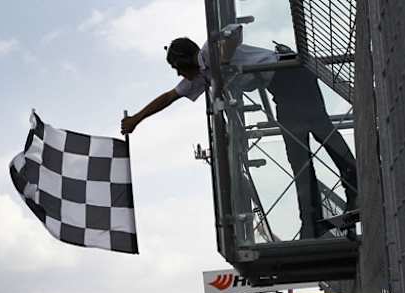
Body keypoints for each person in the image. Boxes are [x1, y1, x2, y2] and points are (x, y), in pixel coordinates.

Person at [121, 36, 358, 239]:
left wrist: (223, 59)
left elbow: (234, 34)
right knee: (301, 151)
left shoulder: (210, 50)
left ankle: (347, 193)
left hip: (290, 74)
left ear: (185, 60)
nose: (178, 73)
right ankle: (313, 217)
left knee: (317, 135)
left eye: (177, 67)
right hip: (282, 88)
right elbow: (169, 97)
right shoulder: (202, 76)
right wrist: (136, 119)